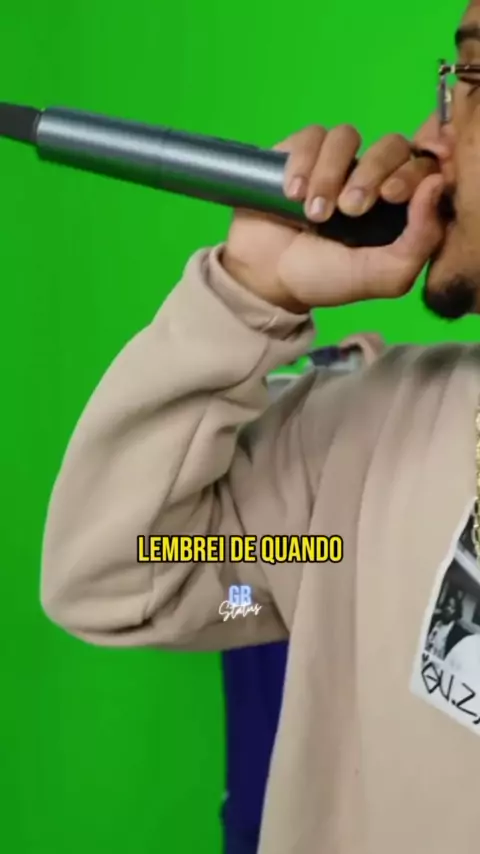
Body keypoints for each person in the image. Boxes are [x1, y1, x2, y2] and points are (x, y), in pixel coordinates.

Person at [40, 2, 480, 852]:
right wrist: (249, 294)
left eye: (472, 81)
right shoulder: (350, 477)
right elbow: (134, 576)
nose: (429, 136)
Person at [222, 337, 383, 854]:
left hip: (355, 816)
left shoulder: (375, 546)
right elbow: (228, 600)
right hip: (261, 806)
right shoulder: (240, 569)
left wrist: (386, 395)